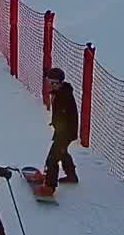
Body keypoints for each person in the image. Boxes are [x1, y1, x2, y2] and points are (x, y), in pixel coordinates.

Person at [38, 67, 79, 197]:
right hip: (63, 131)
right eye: (48, 82)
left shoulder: (63, 96)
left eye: (52, 82)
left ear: (58, 83)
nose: (49, 85)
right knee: (62, 152)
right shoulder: (60, 91)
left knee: (53, 158)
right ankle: (71, 176)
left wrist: (60, 131)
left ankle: (50, 186)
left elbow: (65, 117)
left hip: (65, 133)